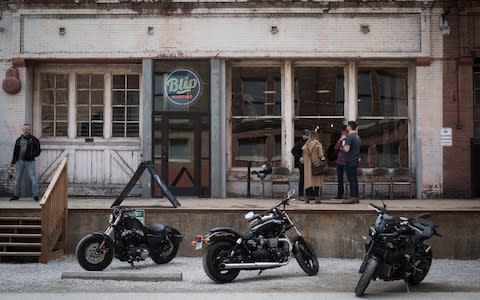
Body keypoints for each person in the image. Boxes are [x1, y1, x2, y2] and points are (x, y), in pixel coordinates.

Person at [9, 124, 41, 202]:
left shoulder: (34, 139)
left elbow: (38, 150)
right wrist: (13, 162)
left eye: (28, 129)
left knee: (33, 178)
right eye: (25, 129)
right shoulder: (18, 140)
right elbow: (15, 151)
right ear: (22, 130)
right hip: (19, 161)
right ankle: (16, 195)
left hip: (30, 162)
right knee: (17, 179)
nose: (27, 131)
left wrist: (31, 155)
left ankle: (36, 195)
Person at [301, 130, 325, 204]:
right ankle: (317, 198)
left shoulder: (306, 145)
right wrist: (323, 159)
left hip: (307, 167)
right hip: (316, 165)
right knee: (316, 182)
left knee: (308, 182)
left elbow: (303, 155)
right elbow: (321, 155)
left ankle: (307, 197)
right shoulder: (318, 144)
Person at [342, 121, 361, 204]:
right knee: (354, 179)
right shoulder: (357, 137)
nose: (346, 127)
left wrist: (343, 142)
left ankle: (353, 197)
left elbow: (347, 149)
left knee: (351, 179)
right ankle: (356, 197)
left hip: (349, 160)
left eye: (347, 126)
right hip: (355, 159)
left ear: (349, 127)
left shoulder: (349, 137)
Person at [291, 129, 309, 200]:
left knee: (308, 178)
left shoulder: (309, 142)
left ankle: (308, 194)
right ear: (303, 135)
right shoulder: (299, 143)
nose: (307, 137)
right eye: (306, 135)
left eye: (308, 135)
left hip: (308, 162)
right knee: (302, 178)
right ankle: (300, 194)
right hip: (301, 163)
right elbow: (293, 151)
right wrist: (299, 158)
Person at [333, 128, 347, 200]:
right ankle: (339, 195)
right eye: (342, 134)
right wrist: (340, 140)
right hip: (339, 162)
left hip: (346, 162)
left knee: (349, 179)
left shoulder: (349, 140)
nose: (342, 135)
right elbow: (335, 148)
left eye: (344, 133)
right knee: (340, 179)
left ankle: (351, 195)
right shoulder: (340, 140)